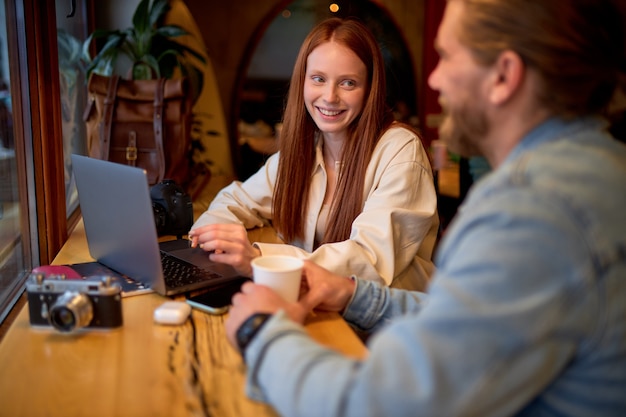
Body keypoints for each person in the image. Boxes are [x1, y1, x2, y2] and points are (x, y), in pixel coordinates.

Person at [223, 0, 626, 416]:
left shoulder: (534, 211)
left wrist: (261, 332)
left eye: (447, 56)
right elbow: (463, 319)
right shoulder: (597, 169)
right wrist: (352, 294)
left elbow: (379, 405)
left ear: (504, 76)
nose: (435, 78)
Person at [189, 18, 438, 290]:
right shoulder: (304, 150)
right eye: (318, 79)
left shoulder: (401, 151)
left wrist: (260, 258)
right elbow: (235, 200)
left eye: (348, 83)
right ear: (303, 82)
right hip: (320, 306)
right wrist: (209, 238)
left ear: (370, 90)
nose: (330, 97)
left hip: (388, 325)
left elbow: (368, 260)